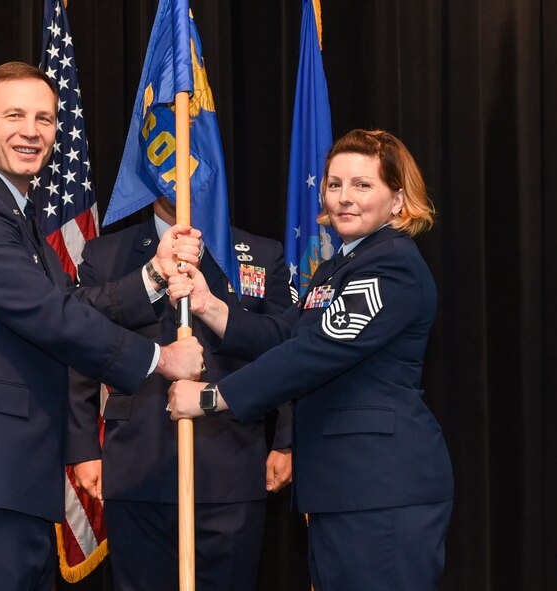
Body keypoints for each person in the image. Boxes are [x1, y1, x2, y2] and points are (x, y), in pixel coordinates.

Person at [0, 61, 204, 591]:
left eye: (44, 119)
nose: (32, 131)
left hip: (11, 483)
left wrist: (154, 274)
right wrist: (160, 360)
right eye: (15, 115)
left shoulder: (11, 214)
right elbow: (52, 317)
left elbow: (69, 301)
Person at [167, 129, 454, 590]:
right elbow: (288, 333)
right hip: (342, 489)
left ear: (398, 200)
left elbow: (317, 352)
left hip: (380, 489)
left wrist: (212, 396)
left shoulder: (391, 264)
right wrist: (209, 307)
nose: (344, 198)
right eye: (335, 184)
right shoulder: (339, 265)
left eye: (363, 185)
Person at [66, 196, 294, 591]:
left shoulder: (260, 253)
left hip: (233, 463)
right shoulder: (105, 255)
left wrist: (287, 440)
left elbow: (286, 351)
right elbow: (81, 350)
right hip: (136, 464)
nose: (178, 175)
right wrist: (83, 447)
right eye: (166, 163)